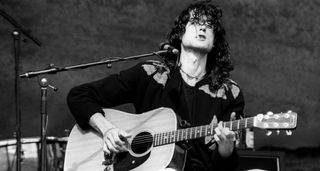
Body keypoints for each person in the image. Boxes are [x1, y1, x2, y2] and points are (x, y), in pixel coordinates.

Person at [67, 1, 245, 171]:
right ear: (180, 33)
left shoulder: (228, 93)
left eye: (210, 25)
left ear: (215, 42)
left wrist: (226, 148)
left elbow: (226, 167)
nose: (203, 27)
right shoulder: (153, 74)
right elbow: (79, 96)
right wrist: (108, 130)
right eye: (195, 22)